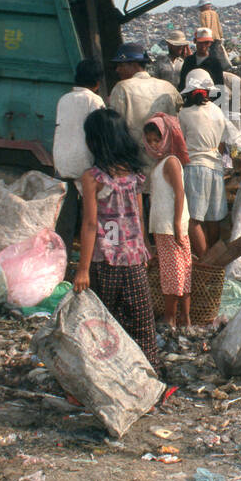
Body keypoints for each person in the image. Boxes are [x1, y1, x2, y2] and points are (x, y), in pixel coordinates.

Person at [74, 108, 160, 371]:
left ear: (95, 142)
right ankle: (148, 373)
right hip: (133, 259)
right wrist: (144, 248)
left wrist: (82, 269)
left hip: (105, 261)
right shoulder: (133, 175)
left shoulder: (93, 178)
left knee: (104, 322)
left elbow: (90, 225)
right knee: (142, 324)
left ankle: (107, 371)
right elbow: (139, 216)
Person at [179, 68, 241, 256]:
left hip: (195, 168)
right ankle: (213, 257)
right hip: (215, 168)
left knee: (194, 220)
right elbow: (223, 146)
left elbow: (180, 144)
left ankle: (206, 261)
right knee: (213, 219)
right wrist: (225, 168)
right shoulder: (216, 111)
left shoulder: (183, 114)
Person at [53, 59, 107, 254]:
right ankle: (90, 263)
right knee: (90, 220)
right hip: (86, 168)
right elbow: (100, 136)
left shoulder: (64, 99)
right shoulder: (95, 101)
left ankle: (62, 262)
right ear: (97, 82)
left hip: (63, 166)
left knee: (64, 223)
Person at [143, 114, 191, 329]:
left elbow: (180, 194)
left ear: (166, 138)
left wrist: (177, 226)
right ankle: (183, 318)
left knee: (174, 274)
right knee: (180, 271)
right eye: (150, 140)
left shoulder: (170, 162)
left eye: (157, 139)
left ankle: (172, 317)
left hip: (170, 227)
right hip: (166, 226)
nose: (153, 144)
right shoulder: (161, 163)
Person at [107, 42, 181, 173]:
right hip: (166, 165)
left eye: (121, 65)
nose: (117, 70)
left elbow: (114, 130)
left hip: (136, 164)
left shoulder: (122, 88)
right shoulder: (168, 87)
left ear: (134, 65)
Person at [197, 0, 231, 69]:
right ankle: (218, 65)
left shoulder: (202, 14)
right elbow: (219, 25)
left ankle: (213, 66)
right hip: (217, 37)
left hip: (208, 37)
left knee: (210, 52)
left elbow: (204, 27)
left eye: (200, 7)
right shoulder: (215, 13)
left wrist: (203, 37)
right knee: (216, 52)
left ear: (203, 6)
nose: (199, 9)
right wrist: (221, 36)